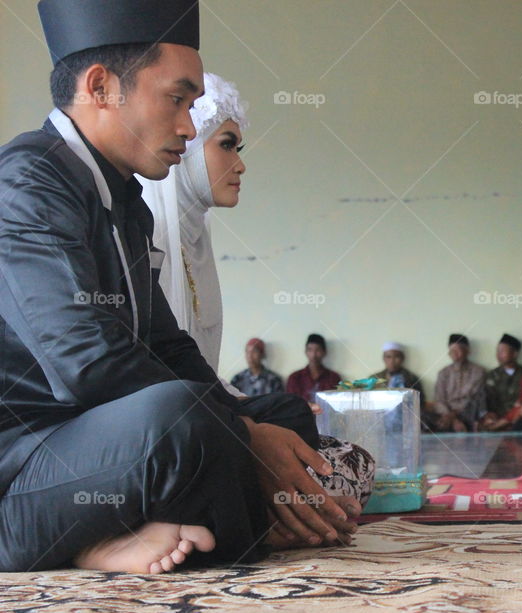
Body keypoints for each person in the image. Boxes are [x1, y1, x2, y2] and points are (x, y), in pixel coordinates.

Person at [0, 0, 362, 574]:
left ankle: (151, 534)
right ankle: (122, 541)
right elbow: (84, 364)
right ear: (102, 87)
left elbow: (168, 348)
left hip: (99, 447)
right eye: (177, 100)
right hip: (22, 468)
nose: (188, 128)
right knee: (186, 418)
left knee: (282, 416)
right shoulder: (28, 182)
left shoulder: (124, 199)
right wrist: (241, 435)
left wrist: (254, 427)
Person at [139, 72, 247, 373]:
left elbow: (204, 376)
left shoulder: (195, 238)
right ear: (187, 150)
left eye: (239, 150)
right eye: (226, 145)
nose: (240, 166)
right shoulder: (149, 238)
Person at [429, 334, 486, 432]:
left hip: (468, 414)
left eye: (457, 349)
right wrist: (451, 418)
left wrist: (452, 417)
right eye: (451, 350)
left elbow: (472, 399)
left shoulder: (478, 371)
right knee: (424, 419)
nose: (454, 353)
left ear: (468, 351)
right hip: (445, 415)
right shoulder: (443, 373)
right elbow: (439, 399)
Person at [479, 334, 522, 431]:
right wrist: (487, 414)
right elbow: (484, 398)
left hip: (518, 419)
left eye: (502, 351)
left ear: (515, 354)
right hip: (496, 418)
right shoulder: (492, 375)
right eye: (497, 351)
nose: (498, 354)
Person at [286, 334, 342, 403]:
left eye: (318, 350)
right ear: (306, 352)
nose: (313, 355)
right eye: (310, 350)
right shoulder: (295, 378)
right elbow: (291, 404)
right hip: (302, 413)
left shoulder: (333, 378)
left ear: (324, 352)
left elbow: (338, 403)